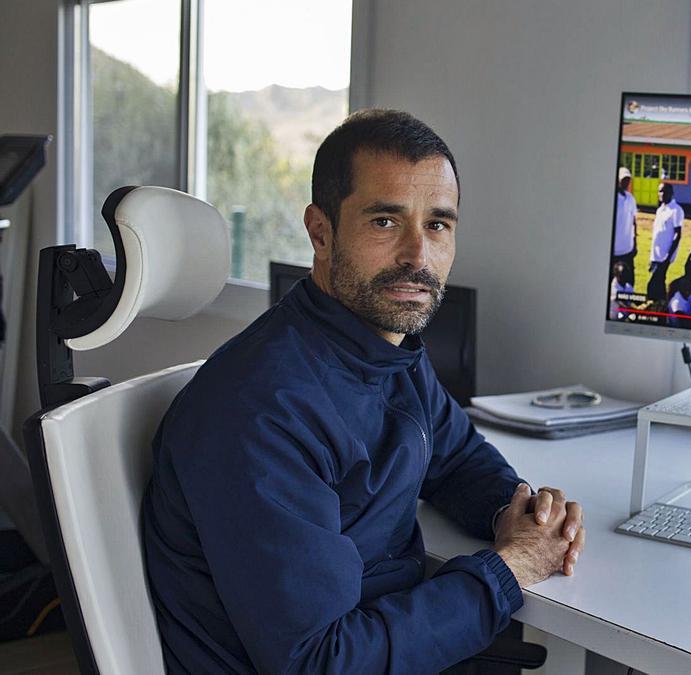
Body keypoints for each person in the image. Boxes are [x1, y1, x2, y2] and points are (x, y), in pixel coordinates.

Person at [141, 110, 587, 674]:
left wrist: (515, 510)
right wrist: (511, 569)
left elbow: (456, 458)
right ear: (320, 231)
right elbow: (322, 662)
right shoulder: (260, 411)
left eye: (438, 224)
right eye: (384, 222)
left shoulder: (387, 346)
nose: (418, 256)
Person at [646, 182, 684, 302]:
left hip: (665, 255)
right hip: (656, 255)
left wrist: (668, 256)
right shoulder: (660, 210)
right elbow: (658, 234)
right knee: (659, 283)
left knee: (652, 285)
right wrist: (652, 258)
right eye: (660, 191)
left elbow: (678, 234)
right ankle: (662, 307)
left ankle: (658, 306)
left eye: (665, 191)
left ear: (671, 193)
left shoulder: (676, 210)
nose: (661, 194)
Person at [613, 166, 638, 287]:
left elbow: (634, 221)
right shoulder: (613, 198)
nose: (626, 182)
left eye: (628, 179)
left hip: (628, 248)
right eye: (624, 179)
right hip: (615, 250)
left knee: (630, 279)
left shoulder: (631, 198)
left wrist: (635, 243)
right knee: (615, 280)